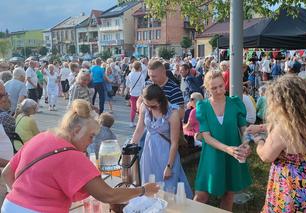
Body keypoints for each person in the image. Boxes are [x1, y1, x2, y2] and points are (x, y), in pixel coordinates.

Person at [1, 99, 159, 213]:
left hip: (9, 205)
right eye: (90, 136)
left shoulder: (42, 137)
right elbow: (108, 194)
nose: (90, 142)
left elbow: (7, 173)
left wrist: (24, 196)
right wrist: (143, 190)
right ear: (76, 131)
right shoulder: (72, 155)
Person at [247, 75, 306, 212]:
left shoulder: (284, 129)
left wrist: (259, 140)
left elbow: (266, 156)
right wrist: (262, 127)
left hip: (291, 189)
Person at [194, 71, 252, 211]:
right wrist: (228, 149)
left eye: (221, 85)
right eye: (214, 88)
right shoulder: (203, 106)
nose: (219, 90)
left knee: (228, 194)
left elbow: (244, 129)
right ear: (207, 88)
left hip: (234, 154)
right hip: (212, 155)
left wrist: (246, 143)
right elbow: (206, 137)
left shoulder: (235, 103)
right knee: (201, 195)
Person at [130, 84, 193, 198]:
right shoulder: (146, 107)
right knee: (149, 185)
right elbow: (139, 129)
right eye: (146, 105)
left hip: (166, 154)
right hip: (149, 152)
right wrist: (130, 147)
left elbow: (174, 143)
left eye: (153, 106)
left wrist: (169, 167)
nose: (149, 108)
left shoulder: (172, 114)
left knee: (168, 188)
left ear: (161, 101)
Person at [126, 61, 145, 128]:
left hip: (132, 93)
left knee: (133, 108)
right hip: (140, 94)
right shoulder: (141, 75)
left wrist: (127, 91)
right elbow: (143, 85)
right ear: (139, 67)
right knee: (140, 108)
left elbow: (127, 85)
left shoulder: (130, 74)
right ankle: (140, 122)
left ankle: (131, 122)